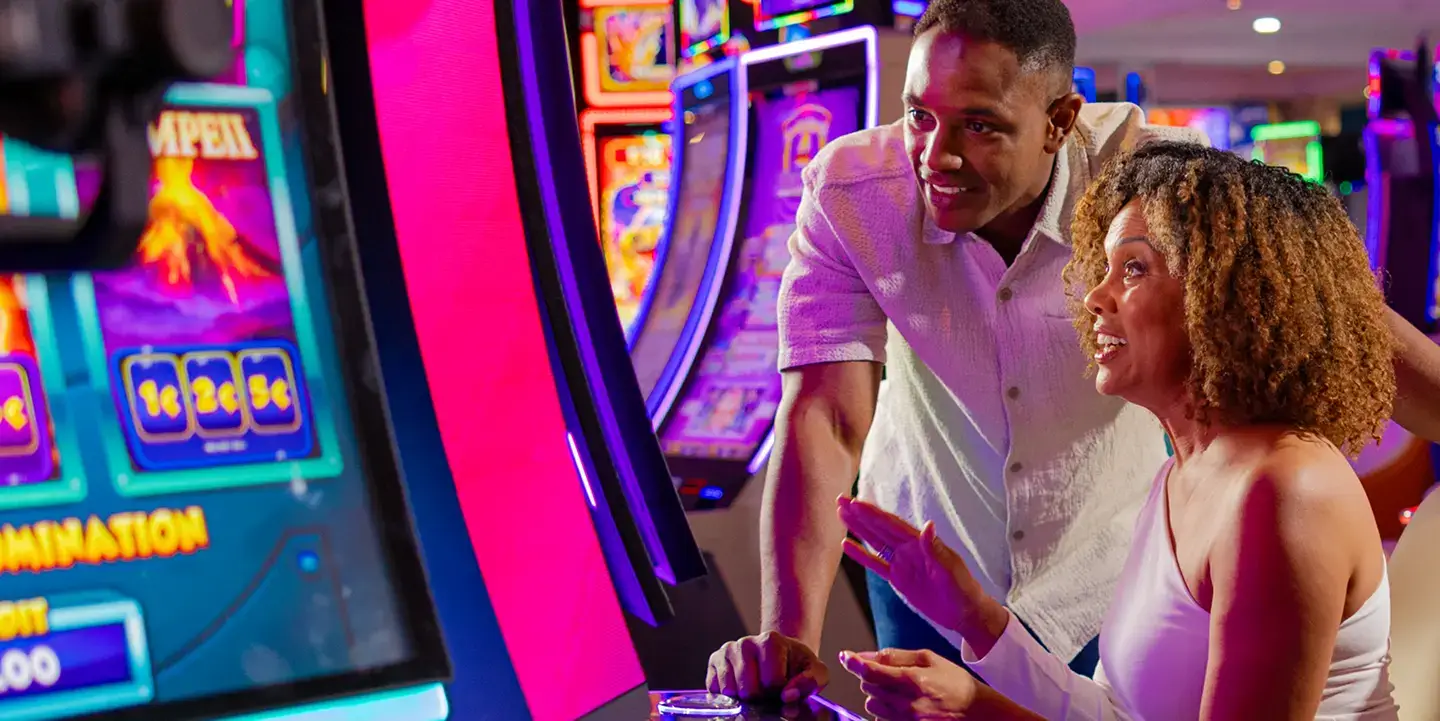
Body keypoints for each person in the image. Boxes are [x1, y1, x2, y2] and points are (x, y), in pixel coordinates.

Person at [705, 0, 1440, 704]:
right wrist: (786, 636)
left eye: (979, 126)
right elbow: (826, 417)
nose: (936, 153)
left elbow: (1335, 312)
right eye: (918, 115)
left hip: (1107, 565)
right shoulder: (852, 192)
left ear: (1060, 122)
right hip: (930, 560)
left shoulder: (1151, 181)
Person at [837, 141, 1400, 720]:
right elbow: (1118, 710)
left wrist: (978, 711)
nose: (1096, 296)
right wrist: (976, 618)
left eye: (1133, 268)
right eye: (1103, 269)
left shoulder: (1285, 489)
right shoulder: (1178, 476)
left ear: (1226, 294)